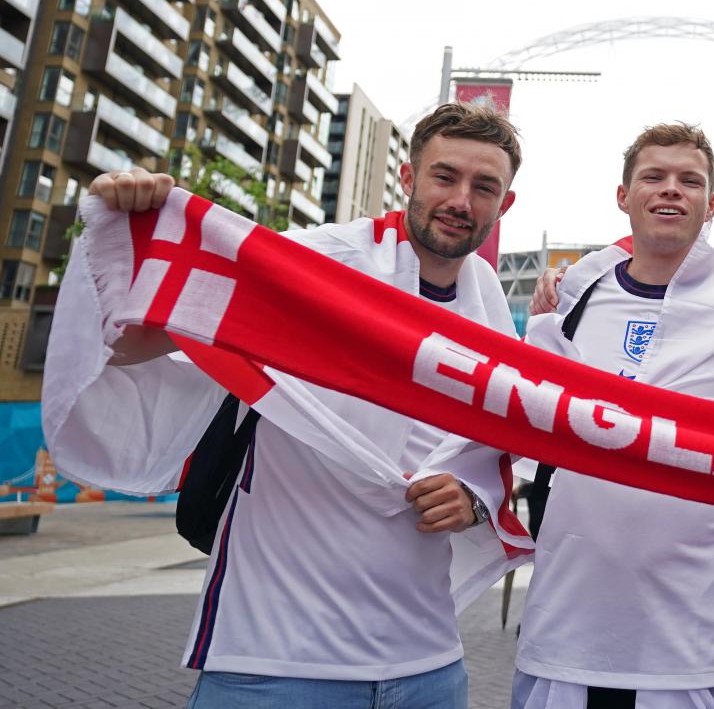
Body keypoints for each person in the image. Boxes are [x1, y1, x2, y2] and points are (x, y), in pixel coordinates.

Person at [45, 102, 530, 708]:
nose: (461, 199)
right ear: (408, 180)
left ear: (504, 205)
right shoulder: (315, 263)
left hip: (428, 664)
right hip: (274, 663)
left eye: (484, 187)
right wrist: (125, 231)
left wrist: (474, 494)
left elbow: (508, 441)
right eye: (444, 177)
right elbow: (133, 344)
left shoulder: (491, 314)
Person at [514, 123, 714, 709]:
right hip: (570, 610)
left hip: (692, 620)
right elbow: (522, 411)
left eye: (689, 181)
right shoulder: (576, 295)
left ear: (711, 204)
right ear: (624, 196)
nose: (671, 190)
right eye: (654, 177)